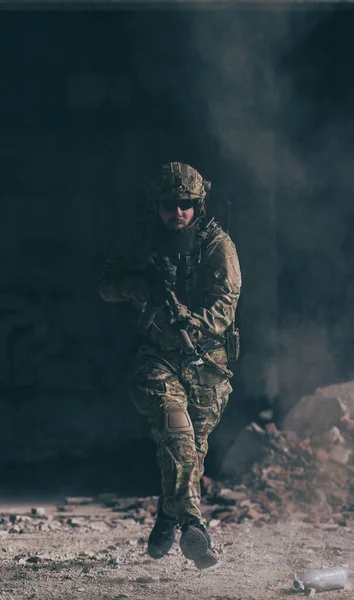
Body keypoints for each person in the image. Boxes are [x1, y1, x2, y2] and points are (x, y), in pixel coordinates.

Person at [99, 162, 241, 569]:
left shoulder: (217, 244)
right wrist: (135, 286)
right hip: (158, 355)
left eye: (185, 204)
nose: (176, 212)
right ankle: (194, 526)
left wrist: (191, 322)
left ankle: (167, 511)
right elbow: (106, 285)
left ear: (198, 204)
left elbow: (225, 308)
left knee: (191, 450)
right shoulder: (140, 238)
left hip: (207, 360)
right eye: (167, 204)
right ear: (154, 205)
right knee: (176, 432)